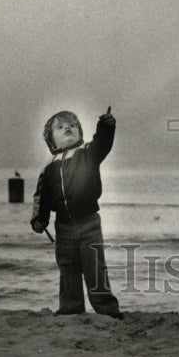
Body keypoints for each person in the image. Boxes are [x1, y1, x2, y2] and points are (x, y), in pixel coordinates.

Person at [30, 106, 122, 317]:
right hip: (62, 227)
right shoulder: (49, 167)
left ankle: (106, 308)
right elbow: (41, 196)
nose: (67, 129)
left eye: (72, 125)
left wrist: (106, 126)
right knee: (67, 268)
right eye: (60, 127)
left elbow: (103, 144)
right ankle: (71, 307)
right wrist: (39, 218)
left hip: (89, 221)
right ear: (50, 138)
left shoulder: (88, 153)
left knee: (95, 267)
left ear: (80, 132)